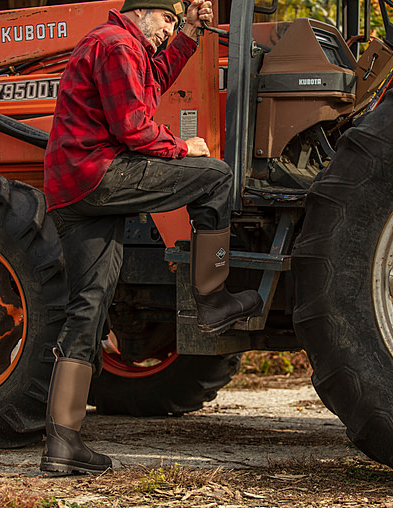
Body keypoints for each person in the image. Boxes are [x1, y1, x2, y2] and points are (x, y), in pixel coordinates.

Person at [40, 0, 263, 476]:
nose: (165, 32)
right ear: (141, 11)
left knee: (89, 305)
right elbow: (133, 128)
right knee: (214, 175)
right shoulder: (117, 44)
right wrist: (185, 147)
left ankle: (62, 442)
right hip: (100, 174)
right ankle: (210, 298)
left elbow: (152, 84)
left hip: (70, 190)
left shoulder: (119, 46)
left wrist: (187, 33)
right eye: (165, 21)